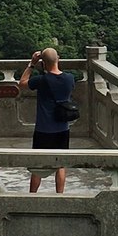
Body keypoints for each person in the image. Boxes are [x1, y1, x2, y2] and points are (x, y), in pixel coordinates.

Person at [19, 47, 75, 193]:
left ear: (43, 63)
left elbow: (22, 83)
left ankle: (32, 196)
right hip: (62, 128)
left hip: (43, 129)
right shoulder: (69, 78)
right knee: (61, 164)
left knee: (38, 165)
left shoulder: (41, 80)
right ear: (58, 59)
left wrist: (32, 64)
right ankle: (60, 195)